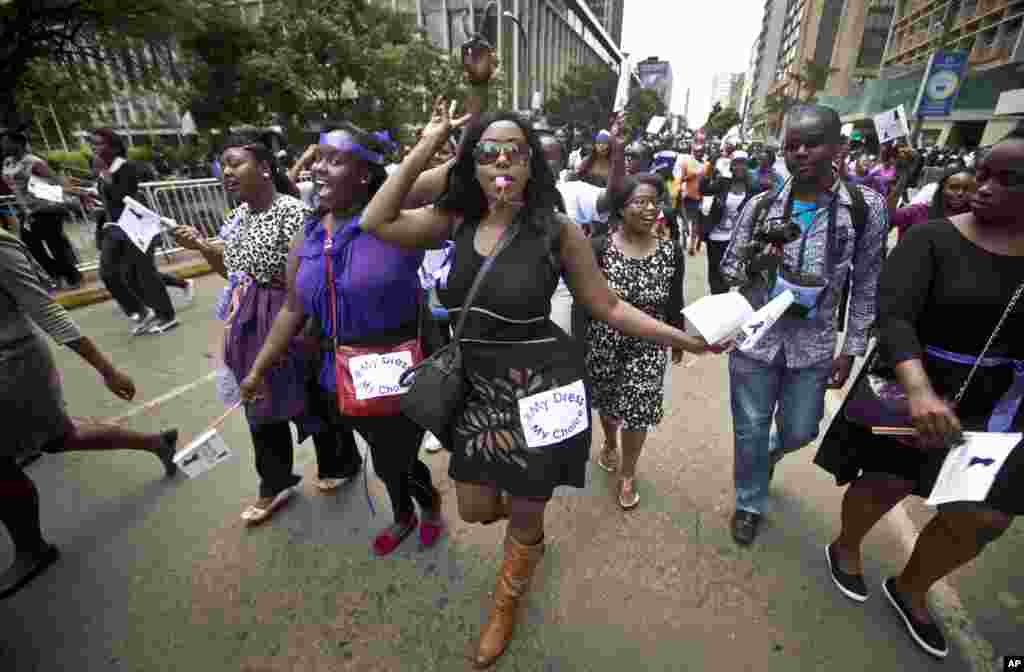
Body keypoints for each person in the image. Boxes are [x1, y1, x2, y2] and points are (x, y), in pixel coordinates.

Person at [357, 97, 721, 669]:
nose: (503, 161)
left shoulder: (558, 230)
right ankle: (525, 528)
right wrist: (431, 145)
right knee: (475, 507)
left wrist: (684, 338)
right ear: (473, 164)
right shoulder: (456, 221)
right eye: (489, 153)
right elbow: (376, 219)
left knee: (527, 508)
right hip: (475, 388)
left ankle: (507, 599)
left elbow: (609, 306)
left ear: (532, 164)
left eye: (515, 152)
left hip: (541, 385)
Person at [815, 127, 1024, 659]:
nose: (985, 187)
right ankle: (847, 545)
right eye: (983, 173)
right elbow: (895, 317)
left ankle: (912, 587)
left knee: (985, 516)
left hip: (1001, 407)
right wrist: (920, 391)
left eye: (1008, 179)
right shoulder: (931, 238)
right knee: (888, 481)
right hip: (911, 386)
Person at [239, 123, 443, 555]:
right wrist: (257, 369)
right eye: (318, 158)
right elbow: (292, 309)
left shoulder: (396, 219)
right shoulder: (308, 234)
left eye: (334, 159)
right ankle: (403, 513)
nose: (318, 167)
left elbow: (452, 176)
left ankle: (427, 506)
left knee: (397, 457)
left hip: (402, 370)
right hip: (341, 376)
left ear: (364, 174)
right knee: (384, 456)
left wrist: (433, 139)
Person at [719, 104, 889, 546]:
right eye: (791, 145)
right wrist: (757, 264)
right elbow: (730, 267)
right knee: (749, 427)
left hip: (814, 345)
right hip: (756, 341)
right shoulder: (762, 205)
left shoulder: (864, 207)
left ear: (837, 147)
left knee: (801, 429)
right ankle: (749, 502)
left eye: (811, 144)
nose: (799, 153)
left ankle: (764, 457)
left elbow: (867, 283)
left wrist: (851, 348)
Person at [173, 133, 362, 524]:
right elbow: (231, 273)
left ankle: (340, 462)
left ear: (264, 168)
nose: (227, 172)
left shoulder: (292, 213)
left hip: (289, 317)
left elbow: (311, 276)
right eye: (223, 166)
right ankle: (275, 482)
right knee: (258, 404)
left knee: (310, 398)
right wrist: (205, 248)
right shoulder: (237, 217)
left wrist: (310, 327)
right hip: (246, 320)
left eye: (235, 163)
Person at [0, 227, 179, 599]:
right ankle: (156, 442)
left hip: (12, 365)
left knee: (43, 444)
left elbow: (45, 309)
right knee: (58, 437)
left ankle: (32, 549)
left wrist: (106, 369)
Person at [587, 174, 687, 509]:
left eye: (654, 202)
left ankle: (628, 473)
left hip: (649, 344)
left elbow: (674, 298)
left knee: (638, 410)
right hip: (604, 340)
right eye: (640, 202)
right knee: (607, 402)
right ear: (620, 208)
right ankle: (609, 442)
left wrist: (677, 338)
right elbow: (584, 300)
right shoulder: (599, 247)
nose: (650, 209)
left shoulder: (670, 251)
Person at [91, 128, 183, 335]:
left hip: (135, 226)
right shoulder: (105, 170)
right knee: (109, 273)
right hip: (114, 228)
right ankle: (140, 311)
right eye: (93, 143)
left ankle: (167, 315)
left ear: (114, 147)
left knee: (143, 273)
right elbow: (107, 198)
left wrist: (105, 175)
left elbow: (123, 196)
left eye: (99, 143)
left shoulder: (125, 167)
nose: (94, 148)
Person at [1, 130, 82, 289]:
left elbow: (54, 181)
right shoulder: (8, 162)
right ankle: (57, 274)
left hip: (45, 209)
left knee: (55, 244)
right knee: (31, 246)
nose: (2, 146)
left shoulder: (34, 162)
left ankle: (72, 277)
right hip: (26, 211)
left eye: (6, 143)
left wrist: (67, 198)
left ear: (18, 144)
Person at [700, 150, 759, 295]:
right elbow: (703, 190)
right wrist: (709, 167)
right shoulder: (723, 183)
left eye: (743, 163)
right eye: (736, 163)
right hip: (716, 238)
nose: (740, 167)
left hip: (737, 240)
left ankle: (726, 299)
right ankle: (717, 299)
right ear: (731, 166)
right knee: (715, 276)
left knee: (733, 275)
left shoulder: (753, 188)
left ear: (747, 166)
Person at [889, 165, 976, 239]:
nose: (960, 193)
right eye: (954, 187)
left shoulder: (972, 221)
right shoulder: (918, 212)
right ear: (942, 189)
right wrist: (900, 185)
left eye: (967, 189)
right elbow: (887, 218)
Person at [673, 144, 710, 256]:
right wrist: (691, 176)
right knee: (685, 222)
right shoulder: (686, 162)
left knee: (696, 222)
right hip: (686, 196)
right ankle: (684, 240)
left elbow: (708, 180)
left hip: (699, 197)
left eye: (701, 151)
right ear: (692, 152)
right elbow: (680, 178)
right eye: (697, 151)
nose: (699, 153)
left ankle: (692, 246)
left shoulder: (706, 164)